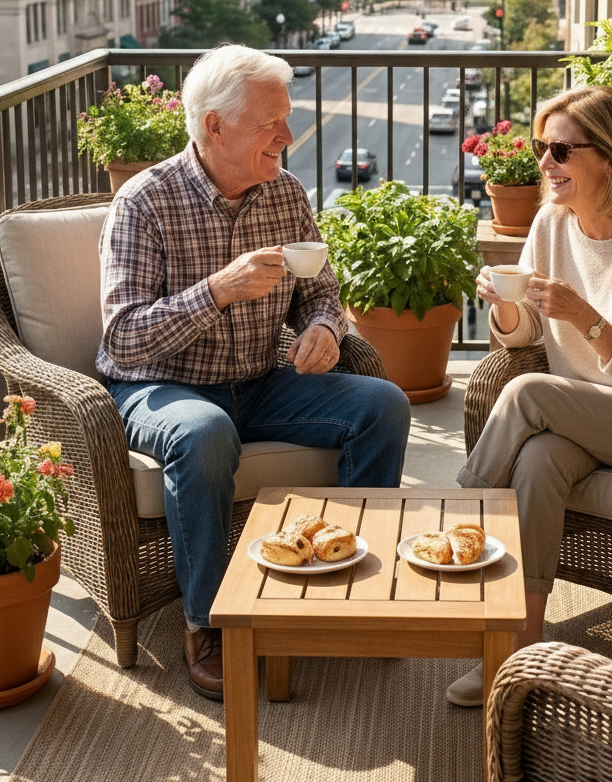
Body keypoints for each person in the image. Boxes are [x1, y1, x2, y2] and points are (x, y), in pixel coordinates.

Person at [97, 45, 411, 701]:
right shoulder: (144, 202)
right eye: (272, 122)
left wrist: (326, 329)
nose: (288, 137)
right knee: (205, 432)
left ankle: (344, 584)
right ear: (214, 125)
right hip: (160, 387)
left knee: (383, 405)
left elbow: (320, 292)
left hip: (260, 382)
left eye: (286, 120)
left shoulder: (285, 193)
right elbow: (123, 339)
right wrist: (216, 291)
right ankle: (209, 625)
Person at [446, 85, 612, 706]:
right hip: (587, 411)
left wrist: (586, 317)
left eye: (562, 151)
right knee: (541, 460)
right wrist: (510, 304)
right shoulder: (551, 222)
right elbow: (523, 340)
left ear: (611, 159)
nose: (544, 163)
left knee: (526, 394)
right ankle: (521, 651)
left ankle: (456, 516)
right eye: (544, 147)